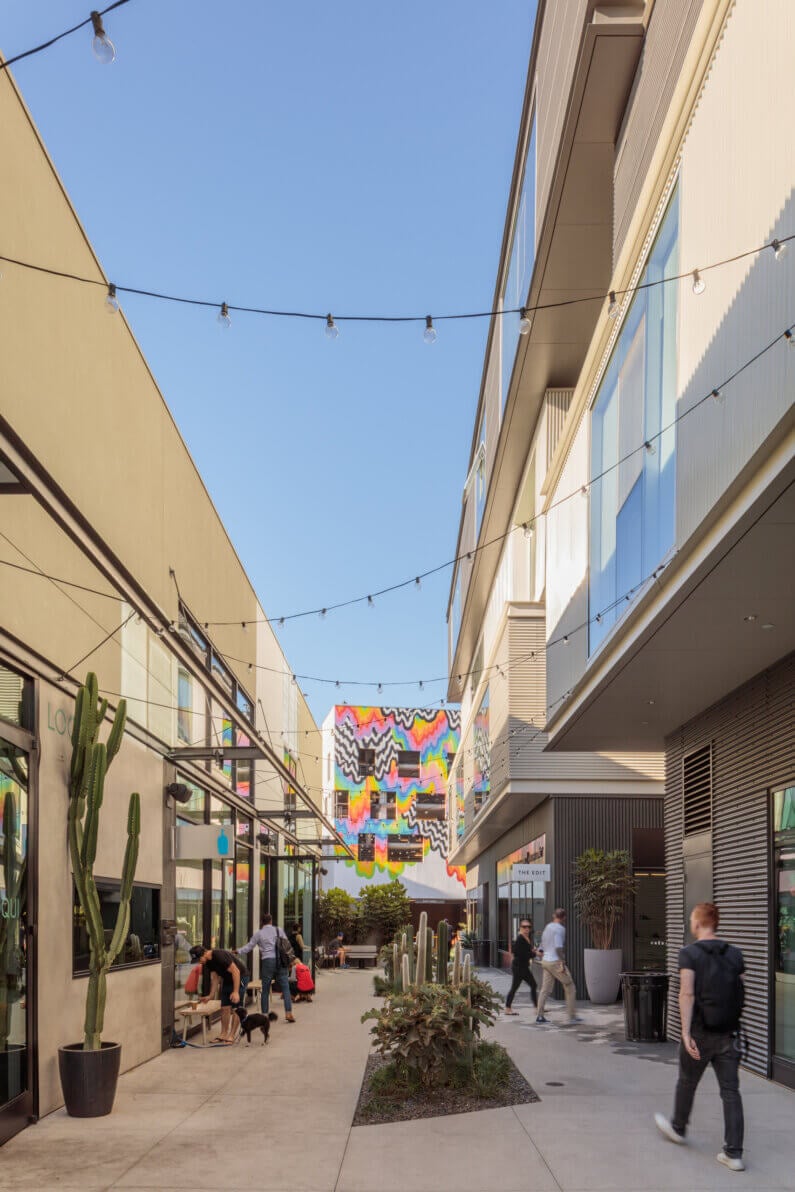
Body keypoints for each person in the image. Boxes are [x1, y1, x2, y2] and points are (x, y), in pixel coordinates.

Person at [654, 902, 746, 1173]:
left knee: (687, 1080)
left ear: (697, 924)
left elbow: (687, 993)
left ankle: (678, 1127)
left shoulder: (689, 954)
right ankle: (734, 1153)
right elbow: (739, 991)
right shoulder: (735, 954)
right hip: (729, 1032)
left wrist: (684, 1032)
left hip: (701, 1032)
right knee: (731, 1091)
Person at [237, 914, 296, 1022]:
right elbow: (287, 945)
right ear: (271, 921)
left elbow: (249, 946)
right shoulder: (279, 930)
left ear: (261, 922)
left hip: (267, 962)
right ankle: (288, 1013)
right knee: (285, 988)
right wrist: (290, 961)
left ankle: (264, 1015)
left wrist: (237, 951)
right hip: (280, 961)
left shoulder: (259, 934)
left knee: (265, 989)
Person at [190, 945, 249, 1043]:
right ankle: (223, 1034)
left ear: (204, 954)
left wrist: (235, 991)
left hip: (240, 977)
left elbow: (236, 971)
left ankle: (231, 1035)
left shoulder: (219, 955)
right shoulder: (208, 962)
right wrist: (211, 995)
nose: (199, 962)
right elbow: (215, 978)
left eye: (199, 959)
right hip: (227, 979)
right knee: (225, 1007)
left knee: (236, 1009)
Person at [535, 908, 582, 1025]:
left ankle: (540, 1016)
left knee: (544, 989)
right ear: (564, 918)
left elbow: (542, 943)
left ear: (553, 915)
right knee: (570, 985)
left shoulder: (548, 926)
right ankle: (572, 1016)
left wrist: (540, 950)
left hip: (545, 960)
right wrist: (562, 961)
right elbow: (558, 947)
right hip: (555, 961)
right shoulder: (560, 929)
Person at [504, 919, 538, 1014]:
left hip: (523, 967)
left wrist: (532, 951)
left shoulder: (527, 938)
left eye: (529, 927)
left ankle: (537, 1007)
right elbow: (521, 954)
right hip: (519, 967)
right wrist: (535, 954)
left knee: (532, 985)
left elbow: (526, 952)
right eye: (524, 927)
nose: (527, 929)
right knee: (516, 987)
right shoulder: (520, 939)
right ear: (520, 928)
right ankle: (507, 1008)